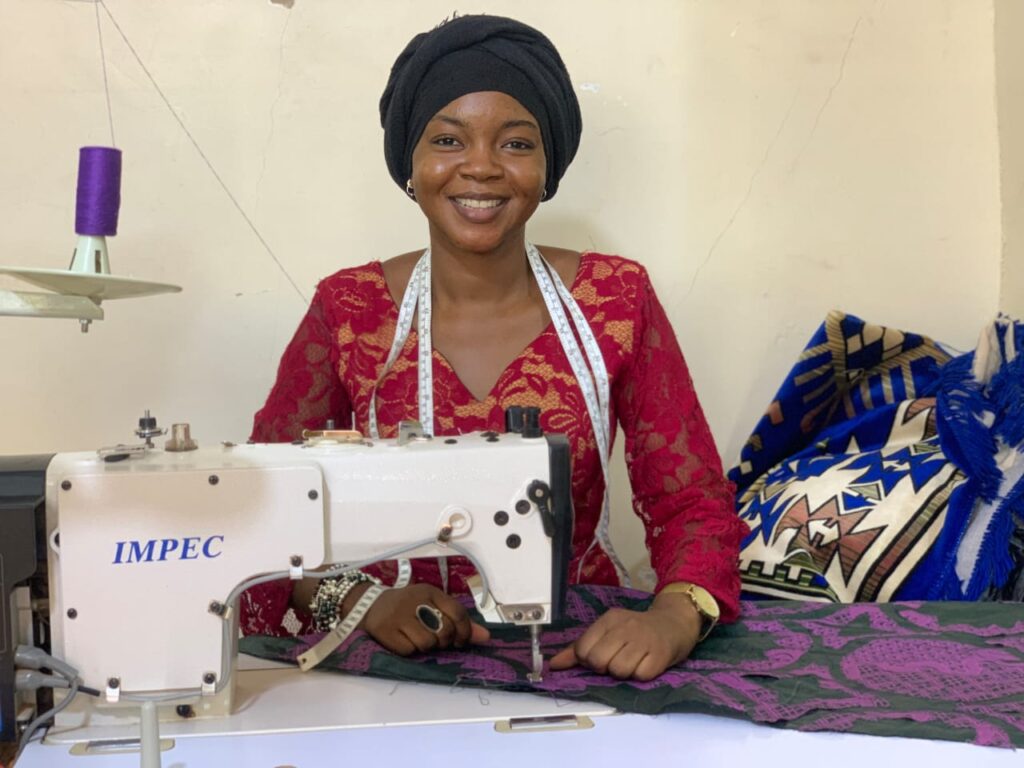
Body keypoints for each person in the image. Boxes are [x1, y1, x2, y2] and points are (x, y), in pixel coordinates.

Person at [241, 14, 746, 681]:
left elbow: (691, 502)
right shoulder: (349, 312)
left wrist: (675, 617)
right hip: (389, 658)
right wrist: (361, 603)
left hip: (579, 645)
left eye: (515, 143)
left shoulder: (615, 302)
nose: (480, 166)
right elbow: (270, 506)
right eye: (448, 139)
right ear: (411, 163)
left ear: (546, 166)